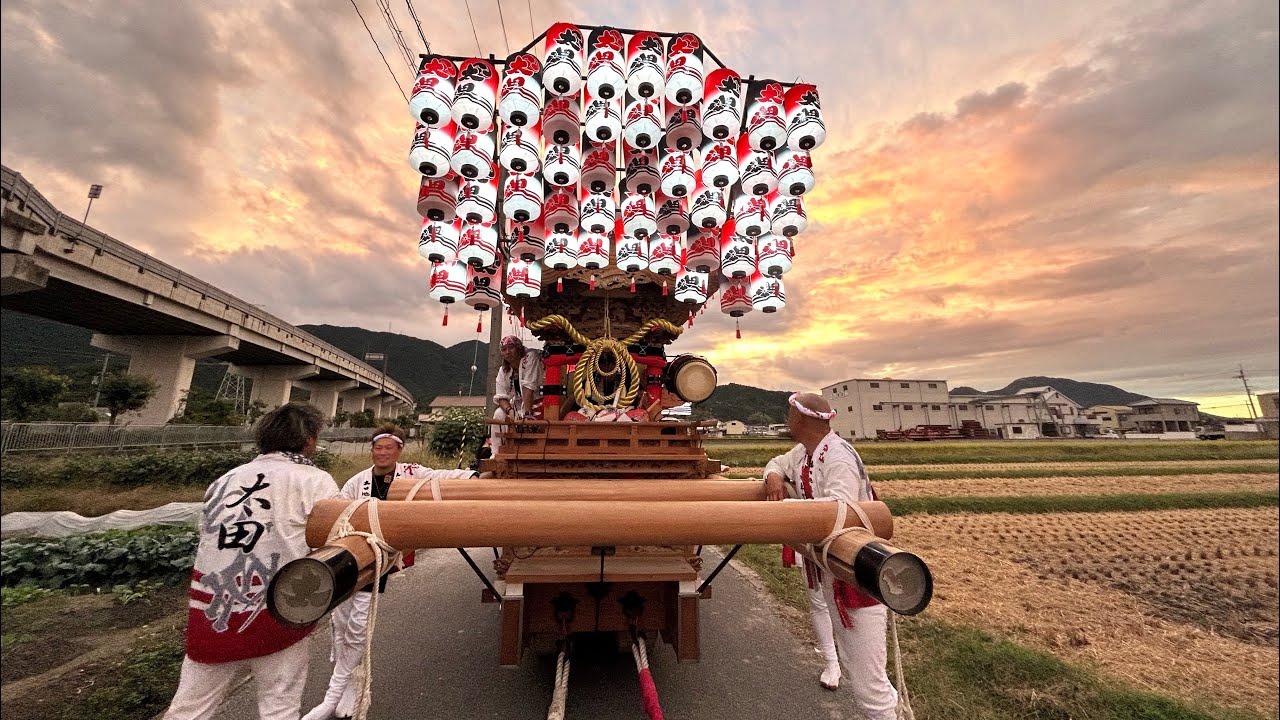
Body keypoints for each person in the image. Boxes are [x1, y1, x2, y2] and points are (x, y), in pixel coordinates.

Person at [163, 402, 339, 720]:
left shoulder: (224, 481)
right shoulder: (315, 481)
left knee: (188, 710)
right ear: (310, 439)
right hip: (278, 610)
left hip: (214, 610)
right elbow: (335, 541)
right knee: (279, 707)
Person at [303, 423, 476, 720]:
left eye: (388, 448)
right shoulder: (358, 481)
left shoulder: (410, 473)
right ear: (372, 451)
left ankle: (339, 692)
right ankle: (347, 684)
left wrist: (474, 475)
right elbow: (338, 513)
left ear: (398, 451)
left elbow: (440, 478)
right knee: (340, 624)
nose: (382, 453)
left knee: (357, 624)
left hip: (378, 556)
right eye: (377, 448)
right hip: (350, 553)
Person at [763, 392, 899, 719]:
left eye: (790, 413)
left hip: (856, 573)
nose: (787, 418)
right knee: (860, 670)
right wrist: (773, 477)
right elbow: (778, 463)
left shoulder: (838, 457)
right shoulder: (805, 452)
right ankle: (839, 669)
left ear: (801, 419)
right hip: (830, 569)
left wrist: (784, 509)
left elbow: (841, 509)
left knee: (869, 687)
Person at [491, 334, 544, 454]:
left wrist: (527, 413)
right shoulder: (503, 370)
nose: (508, 352)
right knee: (498, 414)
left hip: (537, 402)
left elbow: (528, 387)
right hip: (516, 406)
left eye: (511, 347)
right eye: (504, 350)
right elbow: (501, 396)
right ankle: (496, 453)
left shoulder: (530, 357)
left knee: (528, 420)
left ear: (519, 348)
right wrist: (510, 411)